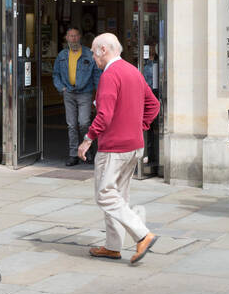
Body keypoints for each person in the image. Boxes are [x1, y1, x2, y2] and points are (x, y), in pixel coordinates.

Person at [78, 33, 159, 264]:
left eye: (94, 52)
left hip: (113, 147)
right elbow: (153, 105)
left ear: (104, 49)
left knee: (104, 194)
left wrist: (87, 139)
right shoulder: (133, 71)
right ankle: (113, 246)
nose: (93, 58)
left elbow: (104, 115)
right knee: (118, 196)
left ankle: (142, 234)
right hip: (134, 146)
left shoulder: (109, 74)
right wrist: (140, 126)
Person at [52, 27, 99, 166]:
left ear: (80, 37)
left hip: (85, 92)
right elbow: (56, 74)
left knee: (84, 122)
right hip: (69, 93)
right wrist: (62, 88)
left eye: (75, 36)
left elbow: (96, 73)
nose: (73, 38)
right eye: (70, 36)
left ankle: (87, 151)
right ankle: (73, 154)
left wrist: (99, 91)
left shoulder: (88, 54)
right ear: (66, 38)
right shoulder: (62, 55)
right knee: (71, 125)